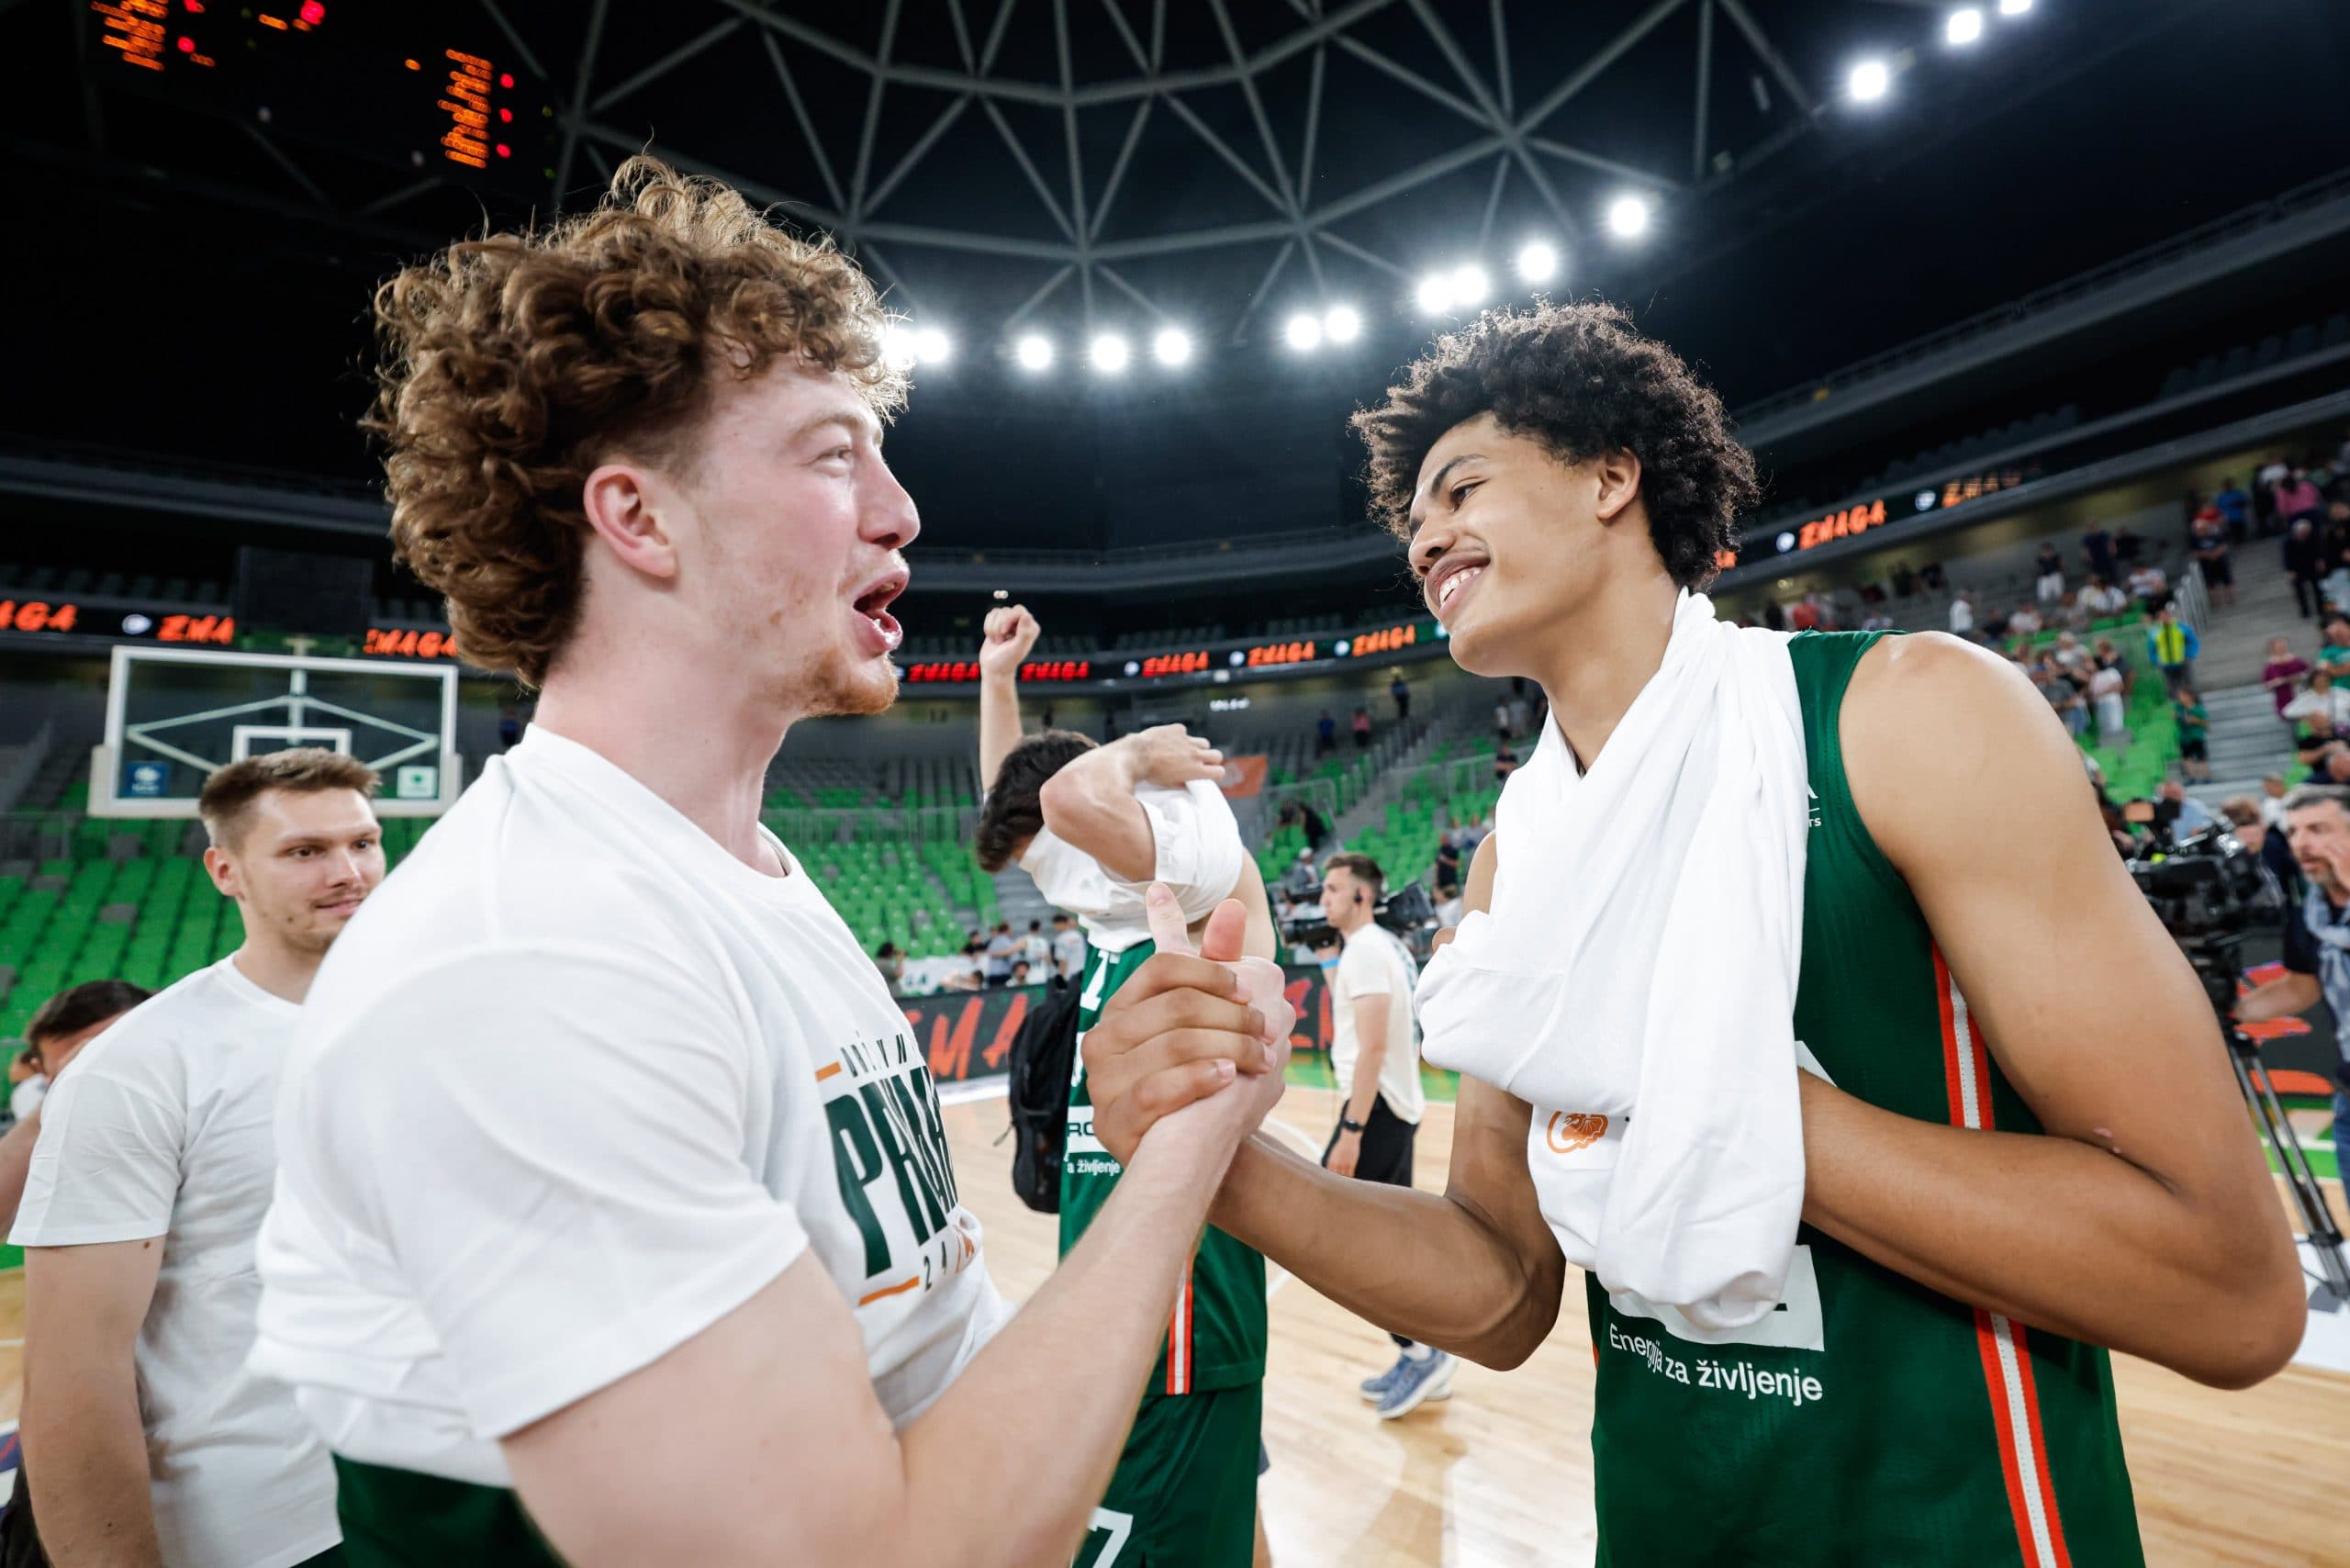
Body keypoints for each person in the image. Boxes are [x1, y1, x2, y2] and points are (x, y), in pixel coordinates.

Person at [1079, 301, 2303, 1565]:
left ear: (1613, 475)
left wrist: (1687, 1081)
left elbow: (2228, 1288)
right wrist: (1221, 1162)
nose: (1425, 536)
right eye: (1412, 519)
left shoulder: (1909, 720)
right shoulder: (1516, 857)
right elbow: (1499, 1290)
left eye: (1460, 488)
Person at [251, 159, 1282, 1568]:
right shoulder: (524, 959)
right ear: (639, 519)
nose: (902, 511)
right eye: (831, 452)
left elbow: (927, 1359)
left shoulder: (743, 880)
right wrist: (1182, 1158)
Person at [16, 749, 383, 1568]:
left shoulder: (424, 1017)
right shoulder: (144, 1065)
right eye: (304, 852)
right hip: (262, 1534)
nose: (348, 872)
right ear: (226, 871)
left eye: (363, 842)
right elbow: (73, 1376)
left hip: (427, 1494)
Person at [973, 602, 1283, 1568]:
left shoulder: (1190, 861)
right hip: (1133, 1287)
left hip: (1177, 1311)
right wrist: (994, 680)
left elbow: (1065, 803)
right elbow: (1027, 807)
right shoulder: (1112, 902)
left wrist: (1140, 749)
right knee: (1227, 1522)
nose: (1051, 877)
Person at [1312, 854, 1441, 1414]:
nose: (1324, 901)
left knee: (1344, 1235)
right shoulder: (1379, 947)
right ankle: (1418, 1352)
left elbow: (1374, 1046)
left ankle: (1423, 1348)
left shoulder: (1365, 950)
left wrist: (1352, 1129)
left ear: (1361, 896)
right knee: (1381, 1241)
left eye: (1333, 890)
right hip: (1393, 1107)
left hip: (1377, 1112)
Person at [2237, 784, 2350, 1160]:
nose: (2301, 843)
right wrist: (2228, 1010)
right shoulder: (2311, 917)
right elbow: (2302, 988)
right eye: (2293, 832)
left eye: (2318, 830)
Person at [2144, 602, 2199, 693]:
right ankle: (2177, 705)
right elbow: (2151, 650)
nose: (2164, 618)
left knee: (2189, 686)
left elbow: (2193, 643)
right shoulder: (2154, 632)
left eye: (2166, 615)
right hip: (2166, 665)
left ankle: (2196, 705)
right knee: (2172, 689)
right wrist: (2157, 660)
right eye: (2161, 616)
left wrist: (2189, 655)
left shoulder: (2181, 627)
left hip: (2182, 661)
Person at [2189, 504, 2234, 607]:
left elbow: (2223, 545)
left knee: (2227, 579)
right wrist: (2206, 555)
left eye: (2201, 529)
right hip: (2206, 564)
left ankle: (2230, 597)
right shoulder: (2195, 540)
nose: (2199, 531)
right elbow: (2193, 553)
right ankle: (2215, 601)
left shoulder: (2215, 535)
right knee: (2210, 583)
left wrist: (2215, 554)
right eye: (2198, 530)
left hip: (2220, 560)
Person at [2285, 517, 2325, 620]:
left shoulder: (2312, 538)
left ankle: (2321, 609)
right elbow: (2287, 557)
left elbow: (2318, 550)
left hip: (2311, 566)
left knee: (2318, 589)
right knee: (2300, 592)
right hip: (2297, 569)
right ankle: (2305, 611)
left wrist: (2320, 560)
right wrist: (2290, 570)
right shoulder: (2289, 542)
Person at [2263, 635, 2311, 719]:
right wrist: (2278, 682)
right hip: (2284, 696)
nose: (2281, 648)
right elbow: (2267, 684)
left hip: (2300, 692)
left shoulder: (2296, 660)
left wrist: (2297, 678)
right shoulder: (2270, 665)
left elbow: (2309, 673)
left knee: (2304, 718)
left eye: (2283, 645)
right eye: (2278, 646)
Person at [2174, 687, 2211, 782]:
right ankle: (2192, 776)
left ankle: (2206, 776)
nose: (2180, 698)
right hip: (2184, 737)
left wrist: (2195, 720)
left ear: (2190, 697)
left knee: (2201, 757)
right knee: (2186, 758)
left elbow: (2206, 723)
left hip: (2196, 736)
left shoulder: (2198, 709)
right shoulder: (2179, 709)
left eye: (2182, 696)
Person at [1049, 911, 1086, 988]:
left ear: (1060, 924)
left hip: (1069, 976)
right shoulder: (1078, 935)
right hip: (1082, 973)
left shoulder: (1060, 939)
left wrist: (1060, 977)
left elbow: (1063, 961)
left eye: (1055, 925)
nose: (1055, 928)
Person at [2215, 476, 2251, 543]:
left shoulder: (2237, 493)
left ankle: (2244, 542)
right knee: (2233, 532)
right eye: (2226, 485)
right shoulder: (2222, 496)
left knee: (2241, 531)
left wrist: (2237, 503)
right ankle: (2236, 543)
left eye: (2229, 484)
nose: (2228, 486)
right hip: (2229, 518)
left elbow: (2245, 502)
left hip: (2239, 516)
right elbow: (2219, 508)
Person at [2032, 541, 2065, 607]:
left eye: (2048, 548)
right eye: (2045, 549)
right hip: (2045, 577)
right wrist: (2038, 571)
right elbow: (2037, 570)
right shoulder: (2040, 559)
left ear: (2051, 549)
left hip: (2055, 576)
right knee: (2043, 596)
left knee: (2059, 593)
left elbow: (2062, 566)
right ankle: (2046, 608)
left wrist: (2059, 570)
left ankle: (2061, 605)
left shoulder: (2056, 557)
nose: (2047, 550)